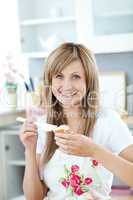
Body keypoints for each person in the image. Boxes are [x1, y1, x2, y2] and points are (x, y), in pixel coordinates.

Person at [20, 42, 133, 200]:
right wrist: (29, 150)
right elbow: (34, 198)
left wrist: (94, 150)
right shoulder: (43, 125)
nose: (67, 86)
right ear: (50, 81)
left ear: (89, 80)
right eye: (59, 76)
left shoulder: (107, 121)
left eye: (76, 77)